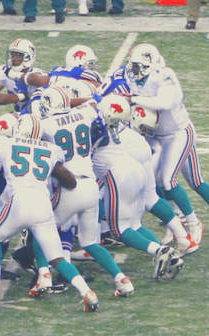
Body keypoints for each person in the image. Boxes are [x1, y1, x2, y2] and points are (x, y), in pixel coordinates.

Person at [0, 114, 100, 313]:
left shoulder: (7, 144)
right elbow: (70, 181)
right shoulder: (50, 150)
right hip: (42, 205)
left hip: (19, 201)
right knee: (57, 258)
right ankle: (87, 293)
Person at [116, 47, 209, 241]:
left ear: (150, 63)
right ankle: (178, 214)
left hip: (178, 133)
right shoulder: (134, 79)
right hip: (156, 136)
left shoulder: (164, 75)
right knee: (153, 182)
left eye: (137, 66)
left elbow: (165, 103)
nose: (133, 70)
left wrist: (133, 100)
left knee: (180, 181)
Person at [33, 89, 136, 299]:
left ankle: (44, 275)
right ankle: (121, 279)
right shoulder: (85, 113)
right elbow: (95, 102)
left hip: (69, 187)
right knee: (90, 243)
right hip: (91, 187)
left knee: (41, 226)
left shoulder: (46, 125)